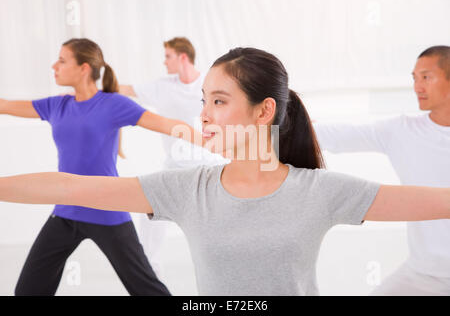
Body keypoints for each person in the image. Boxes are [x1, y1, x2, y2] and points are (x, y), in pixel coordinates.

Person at [1, 47, 449, 296]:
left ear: (263, 111)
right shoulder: (186, 189)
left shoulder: (319, 191)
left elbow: (436, 201)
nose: (204, 116)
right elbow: (67, 185)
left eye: (219, 101)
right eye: (203, 101)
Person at [0, 38, 198, 296]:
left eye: (62, 60)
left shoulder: (113, 104)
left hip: (107, 211)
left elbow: (166, 124)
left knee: (147, 289)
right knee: (28, 291)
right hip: (65, 213)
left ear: (84, 68)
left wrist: (216, 139)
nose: (54, 66)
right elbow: (3, 105)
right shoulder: (56, 105)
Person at [313, 45, 450, 295]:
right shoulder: (402, 132)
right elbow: (338, 136)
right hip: (423, 274)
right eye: (414, 78)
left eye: (426, 77)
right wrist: (268, 130)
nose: (417, 87)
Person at [119, 37, 227, 279]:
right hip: (175, 168)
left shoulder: (210, 83)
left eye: (168, 56)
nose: (164, 61)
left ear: (183, 57)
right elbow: (126, 90)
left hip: (211, 167)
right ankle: (148, 271)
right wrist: (95, 83)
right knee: (147, 206)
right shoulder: (162, 85)